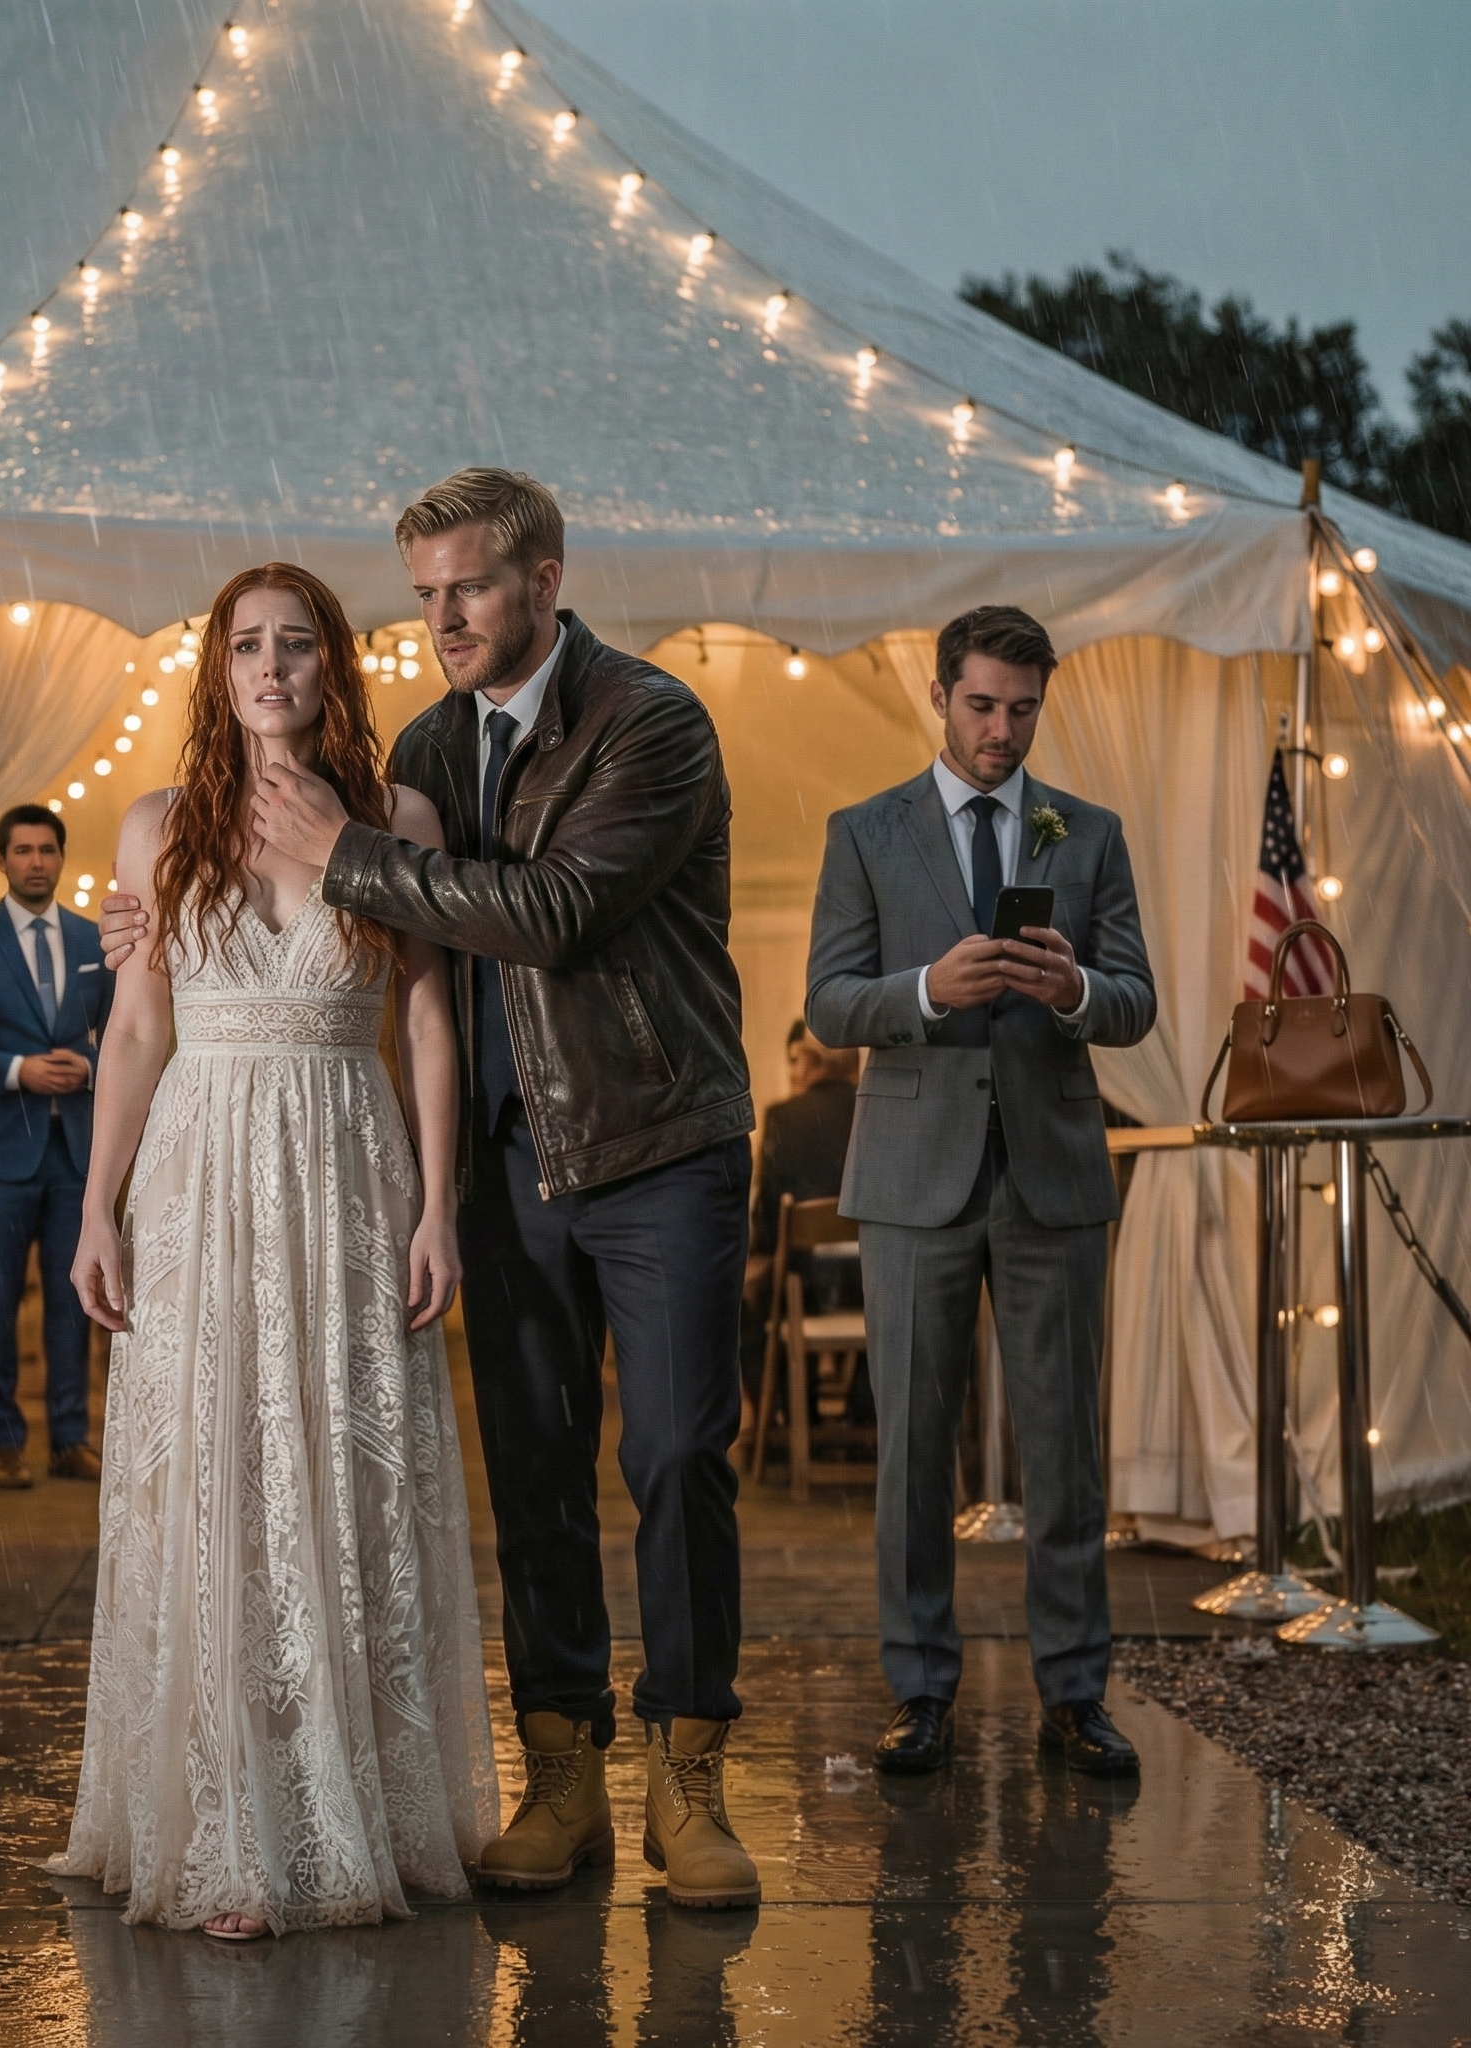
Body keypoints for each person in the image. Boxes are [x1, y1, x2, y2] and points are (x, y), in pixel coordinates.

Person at [243, 469, 761, 1911]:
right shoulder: (422, 745)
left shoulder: (649, 721)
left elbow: (553, 914)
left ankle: (690, 1772)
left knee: (671, 1459)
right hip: (505, 1163)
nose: (442, 619)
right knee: (534, 1474)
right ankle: (566, 1768)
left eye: (466, 587)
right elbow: (366, 950)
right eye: (421, 595)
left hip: (661, 1143)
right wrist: (159, 912)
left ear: (544, 576)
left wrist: (349, 855)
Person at [50, 563, 496, 1940]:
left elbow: (429, 1019)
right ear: (218, 671)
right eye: (246, 645)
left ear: (332, 666)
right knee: (217, 1473)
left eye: (297, 643)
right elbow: (134, 1031)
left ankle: (346, 1810)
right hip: (198, 1171)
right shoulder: (154, 825)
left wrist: (438, 1205)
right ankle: (228, 1822)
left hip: (345, 1166)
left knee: (341, 1474)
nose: (272, 665)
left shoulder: (399, 816)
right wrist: (96, 1206)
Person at [804, 604, 1155, 1780]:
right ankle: (918, 1690)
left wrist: (1071, 991)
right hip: (912, 1179)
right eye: (981, 705)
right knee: (910, 1443)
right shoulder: (864, 831)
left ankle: (1073, 1690)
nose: (1000, 730)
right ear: (940, 696)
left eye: (1020, 710)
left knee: (1065, 1447)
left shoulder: (1088, 832)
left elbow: (1135, 1001)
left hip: (1053, 1172)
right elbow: (827, 1002)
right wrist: (923, 986)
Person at [0, 805, 112, 1489]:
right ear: (0, 860)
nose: (36, 861)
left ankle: (71, 1439)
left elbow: (128, 1031)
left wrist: (89, 1068)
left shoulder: (96, 939)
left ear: (62, 858)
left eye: (47, 850)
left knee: (73, 1302)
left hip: (75, 1153)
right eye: (23, 851)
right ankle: (4, 1443)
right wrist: (15, 1070)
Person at [742, 1020, 863, 1426]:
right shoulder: (878, 1114)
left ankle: (790, 1423)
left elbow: (771, 1223)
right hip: (874, 1285)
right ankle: (865, 1420)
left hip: (805, 1286)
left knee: (748, 1304)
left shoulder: (783, 1119)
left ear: (811, 1062)